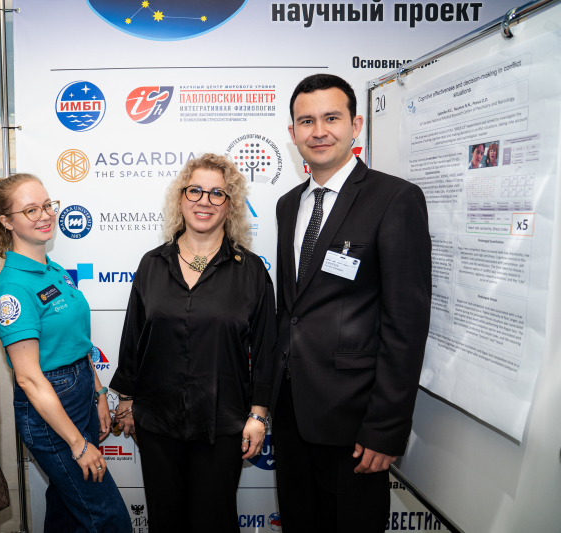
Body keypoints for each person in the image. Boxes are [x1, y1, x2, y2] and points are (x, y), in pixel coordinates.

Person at [272, 74, 432, 532]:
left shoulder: (395, 198)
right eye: (306, 121)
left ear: (355, 125)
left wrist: (386, 427)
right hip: (291, 411)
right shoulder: (288, 205)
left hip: (355, 421)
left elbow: (406, 325)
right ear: (293, 133)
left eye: (331, 118)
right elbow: (293, 310)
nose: (319, 131)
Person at [110, 154, 277, 533]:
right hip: (157, 423)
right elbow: (134, 336)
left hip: (222, 424)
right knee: (165, 522)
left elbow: (267, 349)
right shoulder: (152, 264)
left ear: (230, 204)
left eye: (217, 193)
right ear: (181, 198)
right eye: (195, 190)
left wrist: (258, 415)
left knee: (213, 522)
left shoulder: (250, 270)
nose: (205, 201)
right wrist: (127, 400)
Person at [0, 173, 131, 533]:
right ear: (7, 221)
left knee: (67, 511)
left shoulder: (51, 269)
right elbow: (29, 379)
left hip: (80, 391)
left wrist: (97, 392)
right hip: (49, 408)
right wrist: (78, 445)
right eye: (30, 210)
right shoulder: (13, 288)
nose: (45, 215)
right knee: (109, 520)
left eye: (47, 205)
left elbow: (77, 343)